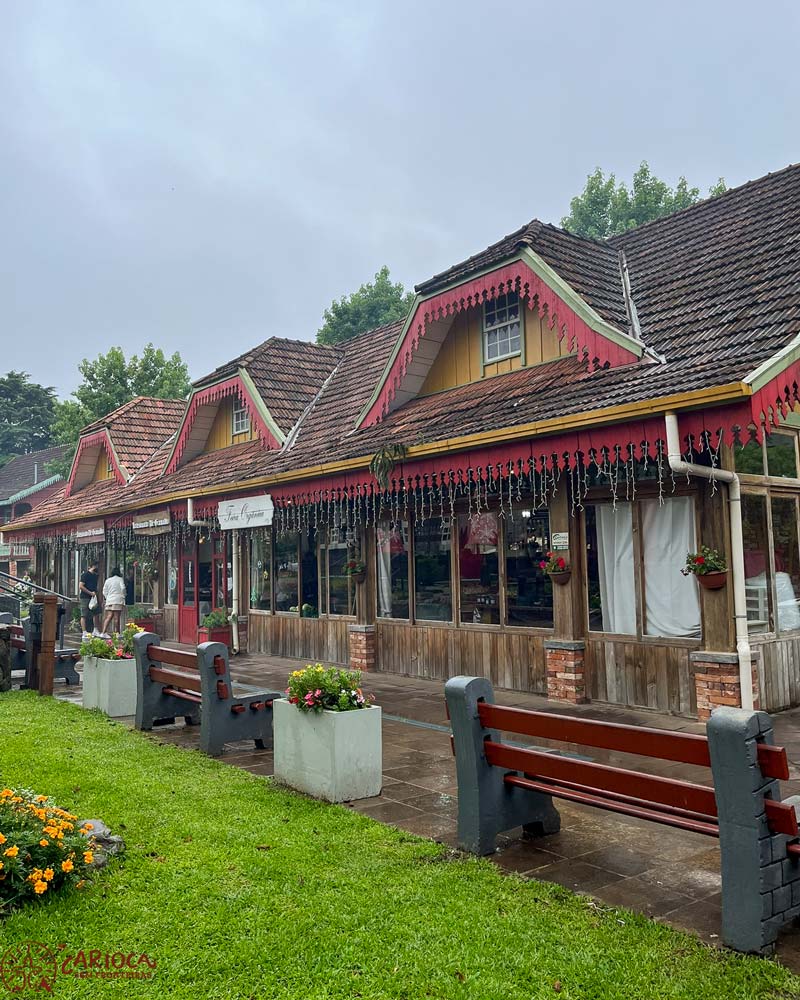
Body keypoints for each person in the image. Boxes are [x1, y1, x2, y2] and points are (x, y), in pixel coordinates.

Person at [101, 566, 127, 638]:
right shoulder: (120, 579)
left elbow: (104, 591)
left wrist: (107, 597)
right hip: (118, 600)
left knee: (108, 617)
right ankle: (117, 633)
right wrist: (123, 595)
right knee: (116, 618)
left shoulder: (108, 580)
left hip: (109, 600)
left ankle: (103, 632)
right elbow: (123, 588)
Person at [79, 561, 101, 639]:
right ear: (91, 566)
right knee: (84, 614)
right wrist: (90, 593)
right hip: (85, 597)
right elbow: (81, 586)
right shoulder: (85, 575)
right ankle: (84, 632)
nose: (97, 568)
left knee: (96, 613)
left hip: (93, 597)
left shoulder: (96, 576)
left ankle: (95, 630)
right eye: (95, 566)